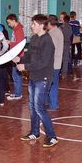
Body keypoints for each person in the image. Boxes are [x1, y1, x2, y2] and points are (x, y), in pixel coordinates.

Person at [15, 14, 58, 148]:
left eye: (33, 24)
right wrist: (19, 59)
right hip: (33, 77)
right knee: (32, 107)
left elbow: (43, 62)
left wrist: (25, 67)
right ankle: (35, 132)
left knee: (39, 108)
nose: (32, 26)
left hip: (43, 78)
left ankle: (52, 136)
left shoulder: (47, 41)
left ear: (41, 25)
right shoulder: (34, 39)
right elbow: (29, 56)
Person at [47, 14, 65, 111]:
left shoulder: (53, 33)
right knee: (53, 84)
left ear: (49, 23)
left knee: (52, 85)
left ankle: (53, 105)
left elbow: (51, 50)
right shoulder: (57, 31)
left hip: (53, 64)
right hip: (57, 63)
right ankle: (51, 103)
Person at [5, 14, 25, 100]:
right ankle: (17, 92)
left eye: (9, 22)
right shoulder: (16, 29)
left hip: (18, 55)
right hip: (15, 54)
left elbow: (19, 44)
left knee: (16, 75)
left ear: (13, 20)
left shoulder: (19, 30)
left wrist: (10, 42)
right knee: (15, 75)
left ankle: (18, 93)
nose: (9, 25)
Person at [59, 12, 73, 76]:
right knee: (65, 59)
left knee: (63, 59)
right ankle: (64, 73)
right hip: (67, 44)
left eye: (61, 17)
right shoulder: (70, 27)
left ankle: (61, 72)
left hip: (62, 44)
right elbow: (71, 35)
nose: (60, 18)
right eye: (60, 17)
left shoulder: (60, 27)